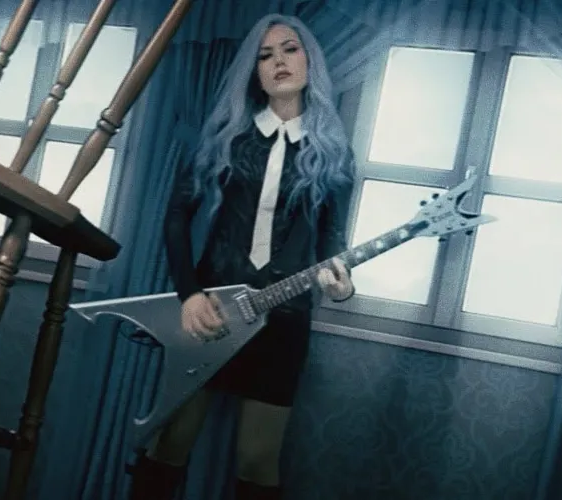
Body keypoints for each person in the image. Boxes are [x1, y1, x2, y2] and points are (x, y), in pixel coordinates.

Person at [127, 13, 357, 500]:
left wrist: (342, 284)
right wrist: (189, 295)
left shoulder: (334, 153)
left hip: (286, 319)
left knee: (258, 458)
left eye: (290, 49)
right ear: (255, 73)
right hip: (211, 309)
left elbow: (331, 241)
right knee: (171, 442)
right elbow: (176, 217)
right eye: (265, 55)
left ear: (310, 61)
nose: (279, 62)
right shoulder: (226, 137)